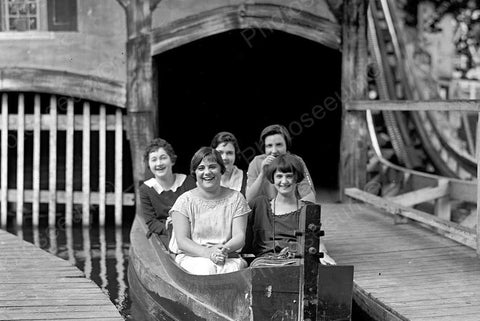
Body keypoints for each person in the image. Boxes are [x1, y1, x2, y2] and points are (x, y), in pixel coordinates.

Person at [170, 147, 250, 275]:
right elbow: (182, 241)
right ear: (194, 172)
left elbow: (239, 236)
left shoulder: (236, 199)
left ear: (221, 170)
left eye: (212, 167)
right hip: (194, 257)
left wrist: (223, 250)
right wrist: (208, 253)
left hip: (227, 255)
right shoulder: (184, 201)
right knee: (205, 269)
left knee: (230, 271)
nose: (207, 172)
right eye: (201, 168)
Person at [249, 154, 335, 265]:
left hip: (297, 262)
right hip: (265, 264)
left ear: (296, 178)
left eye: (289, 176)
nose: (284, 181)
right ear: (272, 179)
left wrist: (322, 254)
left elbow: (316, 240)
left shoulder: (307, 209)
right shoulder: (261, 204)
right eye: (279, 176)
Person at [139, 138, 196, 239]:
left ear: (172, 160)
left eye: (163, 158)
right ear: (148, 164)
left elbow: (196, 211)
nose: (159, 163)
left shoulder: (188, 182)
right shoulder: (145, 189)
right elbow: (151, 222)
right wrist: (172, 230)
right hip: (166, 234)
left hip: (191, 230)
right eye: (154, 160)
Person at [246, 124, 315, 204]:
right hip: (266, 212)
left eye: (279, 145)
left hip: (292, 211)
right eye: (269, 146)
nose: (274, 151)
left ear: (286, 145)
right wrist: (262, 174)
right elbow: (249, 200)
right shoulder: (256, 162)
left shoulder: (297, 161)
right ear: (264, 148)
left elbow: (310, 199)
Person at [210, 131, 247, 196]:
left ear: (235, 154)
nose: (224, 157)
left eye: (229, 153)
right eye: (220, 153)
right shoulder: (205, 178)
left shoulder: (247, 178)